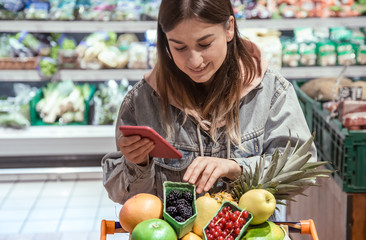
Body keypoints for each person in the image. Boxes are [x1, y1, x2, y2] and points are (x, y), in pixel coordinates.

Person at [101, 0, 317, 221]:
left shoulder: (271, 91)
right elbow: (120, 194)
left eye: (204, 44)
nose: (194, 61)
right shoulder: (142, 101)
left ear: (229, 28)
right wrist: (137, 165)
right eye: (179, 47)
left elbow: (303, 171)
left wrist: (238, 169)